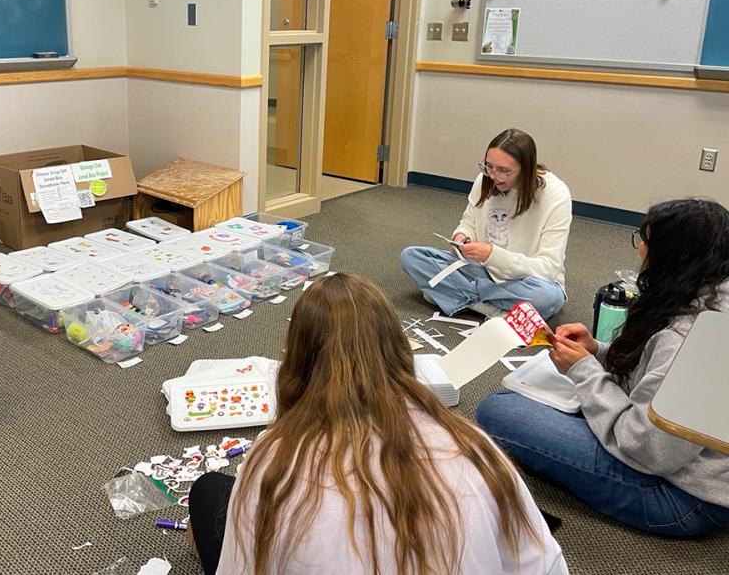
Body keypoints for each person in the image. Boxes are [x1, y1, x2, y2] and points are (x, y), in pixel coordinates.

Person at [189, 273, 568, 575]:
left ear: (297, 360)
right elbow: (546, 565)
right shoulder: (475, 447)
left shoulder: (273, 459)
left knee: (209, 492)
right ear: (400, 350)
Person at [476, 199, 729, 537]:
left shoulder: (689, 338)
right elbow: (656, 376)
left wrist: (584, 371)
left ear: (673, 256)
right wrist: (597, 352)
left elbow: (649, 450)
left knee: (499, 410)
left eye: (646, 241)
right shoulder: (709, 300)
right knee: (532, 401)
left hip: (680, 498)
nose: (640, 249)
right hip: (685, 465)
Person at [400, 128, 572, 320]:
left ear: (526, 169)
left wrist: (492, 255)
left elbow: (548, 268)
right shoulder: (485, 179)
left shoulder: (556, 195)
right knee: (411, 256)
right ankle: (490, 309)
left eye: (504, 171)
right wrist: (461, 238)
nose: (493, 176)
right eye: (488, 166)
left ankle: (456, 296)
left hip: (526, 281)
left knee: (547, 298)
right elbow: (468, 223)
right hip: (481, 271)